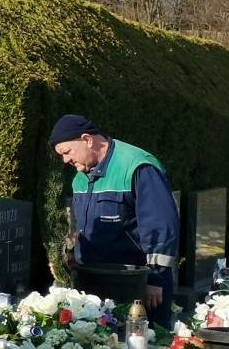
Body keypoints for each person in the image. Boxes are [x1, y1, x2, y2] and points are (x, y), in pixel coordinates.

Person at [49, 115, 179, 328]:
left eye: (67, 152)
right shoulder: (80, 178)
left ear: (87, 139)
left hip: (136, 285)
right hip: (93, 284)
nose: (65, 160)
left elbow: (160, 226)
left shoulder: (137, 166)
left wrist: (155, 279)